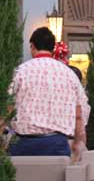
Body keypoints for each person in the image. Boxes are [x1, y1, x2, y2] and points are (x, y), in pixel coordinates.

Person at [6, 27, 89, 160]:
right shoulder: (69, 74)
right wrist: (79, 140)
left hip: (23, 144)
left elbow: (7, 107)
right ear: (53, 48)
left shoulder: (21, 72)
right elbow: (79, 113)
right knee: (57, 180)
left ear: (32, 46)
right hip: (57, 143)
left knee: (23, 180)